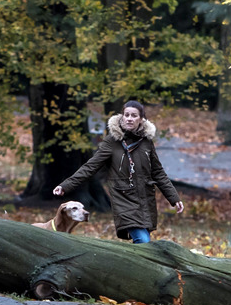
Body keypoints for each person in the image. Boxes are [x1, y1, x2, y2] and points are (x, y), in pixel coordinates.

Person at [52, 101, 183, 244]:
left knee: (144, 241)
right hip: (123, 199)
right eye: (126, 115)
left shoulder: (146, 142)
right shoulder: (111, 142)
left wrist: (174, 198)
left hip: (145, 199)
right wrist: (66, 185)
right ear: (122, 117)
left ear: (141, 119)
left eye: (134, 116)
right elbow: (90, 167)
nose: (129, 118)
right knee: (143, 240)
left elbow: (158, 172)